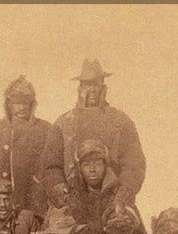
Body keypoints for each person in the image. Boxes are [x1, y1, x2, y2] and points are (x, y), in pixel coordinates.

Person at [41, 59, 145, 213]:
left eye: (95, 84)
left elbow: (134, 163)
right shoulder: (63, 124)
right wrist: (59, 190)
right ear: (79, 88)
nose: (92, 90)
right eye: (86, 85)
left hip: (113, 200)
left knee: (130, 232)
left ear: (103, 88)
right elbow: (50, 166)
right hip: (71, 202)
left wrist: (124, 192)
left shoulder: (121, 122)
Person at [0, 75, 53, 216]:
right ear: (9, 104)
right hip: (1, 204)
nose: (22, 107)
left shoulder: (45, 130)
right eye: (17, 103)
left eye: (26, 103)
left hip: (34, 200)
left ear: (32, 104)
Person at [65, 138, 120, 231]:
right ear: (79, 169)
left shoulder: (118, 195)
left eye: (98, 164)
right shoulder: (68, 197)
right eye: (86, 165)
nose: (92, 169)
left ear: (105, 167)